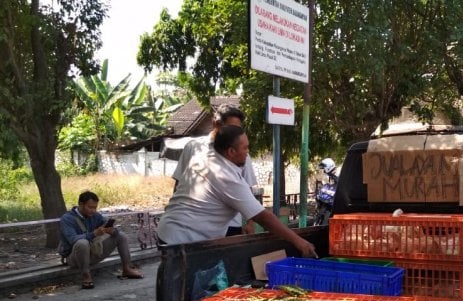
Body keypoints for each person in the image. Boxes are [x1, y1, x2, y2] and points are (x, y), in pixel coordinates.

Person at [157, 125, 317, 257]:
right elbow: (263, 216)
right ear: (231, 152)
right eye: (245, 148)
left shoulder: (206, 157)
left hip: (174, 231)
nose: (248, 152)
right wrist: (299, 242)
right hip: (182, 239)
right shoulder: (224, 175)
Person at [172, 104, 256, 235]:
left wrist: (250, 223)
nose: (235, 134)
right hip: (194, 227)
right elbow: (180, 183)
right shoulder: (193, 147)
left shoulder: (242, 154)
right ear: (216, 124)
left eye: (238, 129)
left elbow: (248, 189)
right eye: (231, 128)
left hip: (231, 225)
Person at [59, 191, 143, 289]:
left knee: (121, 236)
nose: (93, 210)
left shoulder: (95, 215)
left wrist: (112, 231)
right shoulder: (67, 218)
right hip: (74, 258)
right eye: (90, 207)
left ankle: (127, 269)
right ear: (81, 204)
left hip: (93, 251)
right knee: (82, 243)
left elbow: (110, 227)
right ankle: (86, 275)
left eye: (95, 207)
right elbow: (73, 240)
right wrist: (94, 234)